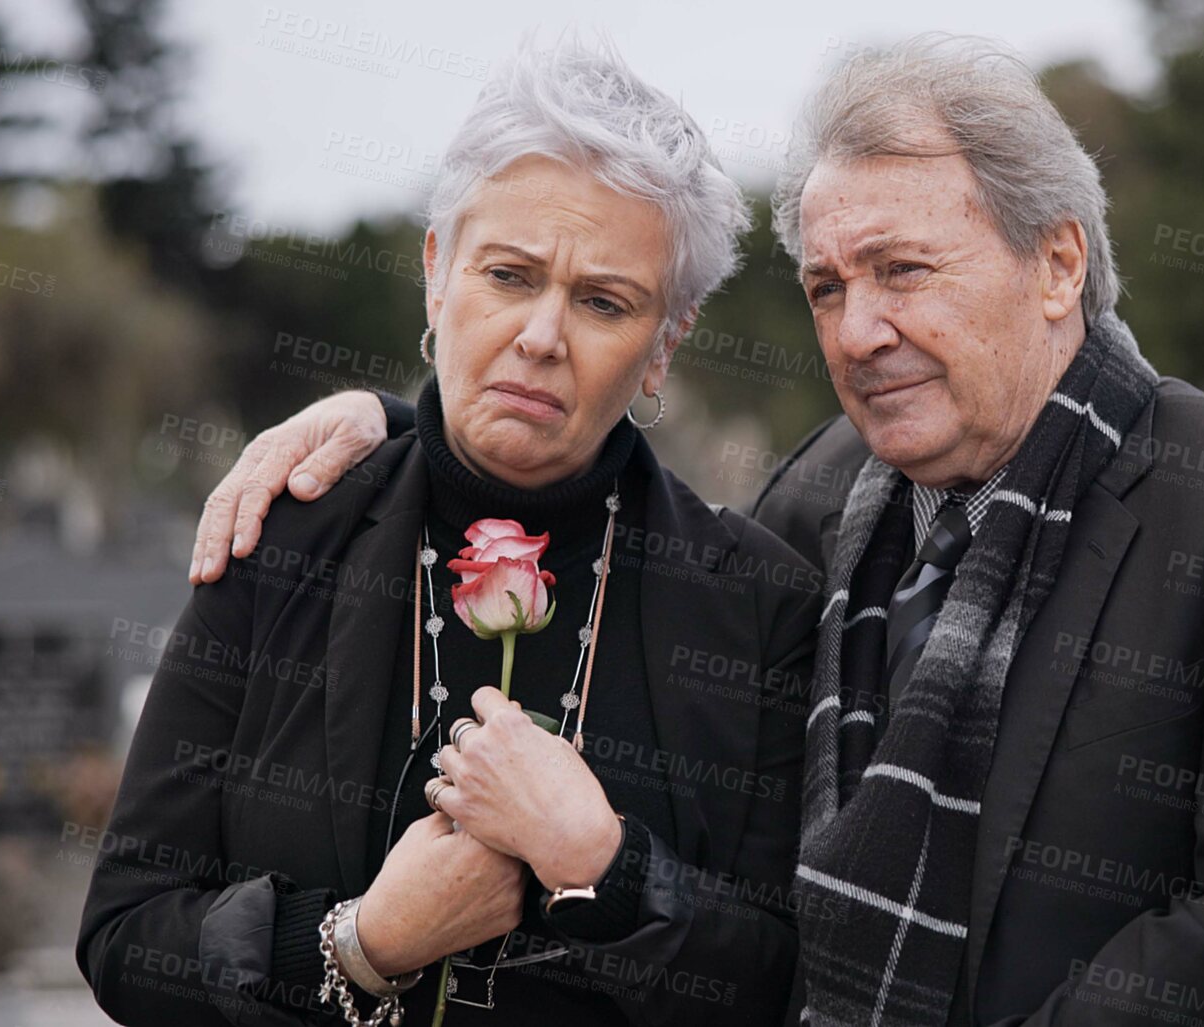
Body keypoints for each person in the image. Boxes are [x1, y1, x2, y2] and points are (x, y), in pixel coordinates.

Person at [195, 34, 1204, 1027]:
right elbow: (592, 476)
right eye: (828, 288)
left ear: (1056, 265)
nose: (857, 331)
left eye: (902, 271)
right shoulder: (828, 499)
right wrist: (391, 431)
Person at [80, 39, 818, 1027]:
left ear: (664, 346)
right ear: (438, 273)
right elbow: (125, 934)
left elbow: (785, 980)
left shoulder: (756, 603)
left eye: (604, 301)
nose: (543, 336)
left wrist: (610, 869)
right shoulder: (289, 536)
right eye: (509, 276)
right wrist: (363, 941)